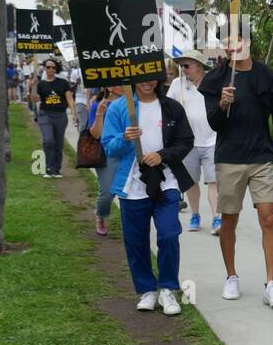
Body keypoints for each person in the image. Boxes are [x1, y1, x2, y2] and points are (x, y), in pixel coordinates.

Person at [199, 34, 273, 306]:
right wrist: (223, 104)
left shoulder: (269, 78)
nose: (232, 47)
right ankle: (231, 276)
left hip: (262, 157)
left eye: (237, 41)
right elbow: (214, 124)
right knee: (229, 219)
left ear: (248, 43)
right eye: (226, 42)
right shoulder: (216, 79)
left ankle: (271, 283)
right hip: (230, 158)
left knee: (268, 219)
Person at [100, 74, 195, 315]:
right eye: (141, 78)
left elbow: (185, 141)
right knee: (135, 241)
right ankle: (146, 290)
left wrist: (163, 155)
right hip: (132, 186)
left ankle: (167, 289)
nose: (147, 82)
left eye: (152, 77)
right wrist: (125, 138)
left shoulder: (172, 108)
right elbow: (109, 147)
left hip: (167, 182)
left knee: (168, 234)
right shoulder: (119, 108)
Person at [169, 50, 221, 235]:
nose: (183, 70)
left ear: (199, 66)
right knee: (191, 182)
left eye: (186, 66)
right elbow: (168, 108)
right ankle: (195, 215)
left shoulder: (212, 83)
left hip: (212, 139)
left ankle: (217, 218)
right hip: (188, 143)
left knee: (213, 181)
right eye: (181, 66)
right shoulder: (177, 85)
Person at [85, 86, 124, 236]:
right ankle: (101, 216)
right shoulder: (98, 105)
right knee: (108, 192)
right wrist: (100, 113)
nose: (122, 86)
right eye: (118, 83)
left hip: (128, 151)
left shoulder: (132, 103)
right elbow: (95, 134)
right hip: (106, 152)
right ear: (109, 87)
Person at [32, 58, 75, 178]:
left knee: (58, 143)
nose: (50, 69)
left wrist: (73, 113)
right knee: (48, 141)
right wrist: (34, 85)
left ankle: (56, 169)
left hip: (60, 115)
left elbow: (69, 98)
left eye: (53, 67)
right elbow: (34, 99)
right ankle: (49, 168)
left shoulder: (63, 83)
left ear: (56, 69)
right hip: (45, 114)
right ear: (44, 69)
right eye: (48, 67)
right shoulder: (41, 84)